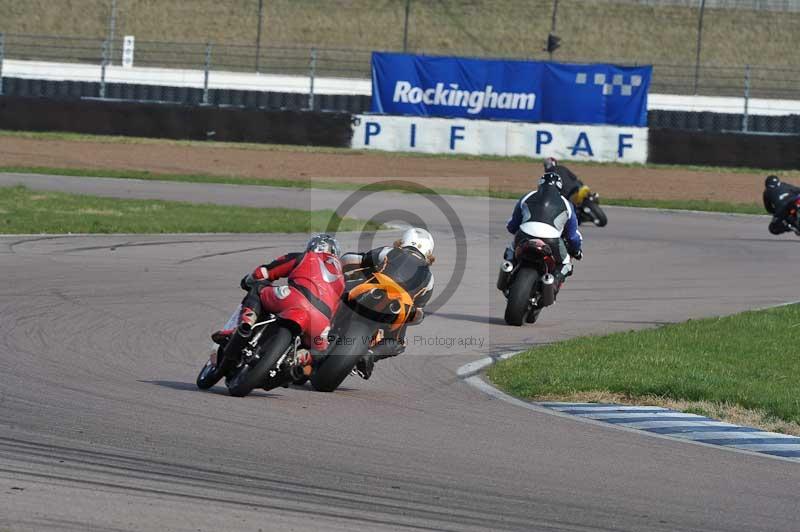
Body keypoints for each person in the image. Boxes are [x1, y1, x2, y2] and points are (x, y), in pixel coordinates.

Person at [211, 234, 345, 370]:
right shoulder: (342, 279)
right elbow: (337, 312)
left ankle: (245, 326)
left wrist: (248, 280)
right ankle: (298, 359)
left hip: (294, 299)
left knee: (258, 289)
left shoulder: (305, 256)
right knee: (320, 351)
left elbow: (262, 273)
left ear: (312, 246)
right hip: (321, 321)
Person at [339, 227, 435, 380]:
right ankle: (370, 355)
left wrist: (340, 267)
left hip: (373, 288)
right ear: (429, 252)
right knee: (397, 343)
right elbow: (419, 312)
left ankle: (322, 327)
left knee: (337, 290)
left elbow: (353, 260)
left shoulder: (389, 251)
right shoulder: (429, 278)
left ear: (403, 241)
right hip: (397, 307)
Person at [503, 172, 583, 285]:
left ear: (540, 184)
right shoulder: (567, 204)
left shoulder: (528, 196)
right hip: (551, 240)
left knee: (511, 249)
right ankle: (553, 282)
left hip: (524, 235)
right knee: (566, 264)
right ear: (560, 188)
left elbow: (512, 225)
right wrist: (576, 250)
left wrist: (514, 229)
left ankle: (507, 269)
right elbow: (572, 236)